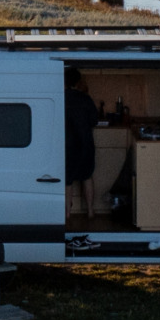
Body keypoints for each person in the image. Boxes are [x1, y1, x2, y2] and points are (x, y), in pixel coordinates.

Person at [64, 73, 97, 223]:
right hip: (85, 144)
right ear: (78, 82)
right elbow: (94, 120)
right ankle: (90, 211)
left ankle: (67, 215)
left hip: (67, 144)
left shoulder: (61, 97)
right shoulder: (85, 98)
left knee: (67, 180)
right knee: (87, 176)